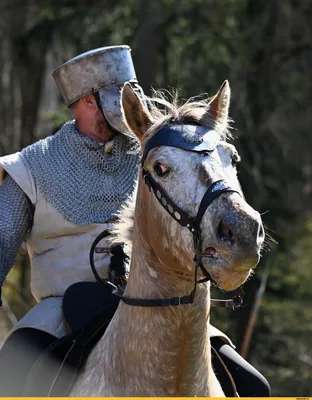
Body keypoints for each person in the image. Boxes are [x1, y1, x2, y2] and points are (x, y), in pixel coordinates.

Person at [0, 45, 270, 397]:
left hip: (162, 299)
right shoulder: (31, 167)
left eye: (131, 91)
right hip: (64, 309)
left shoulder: (163, 155)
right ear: (85, 101)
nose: (130, 104)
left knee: (253, 386)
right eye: (114, 94)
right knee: (10, 375)